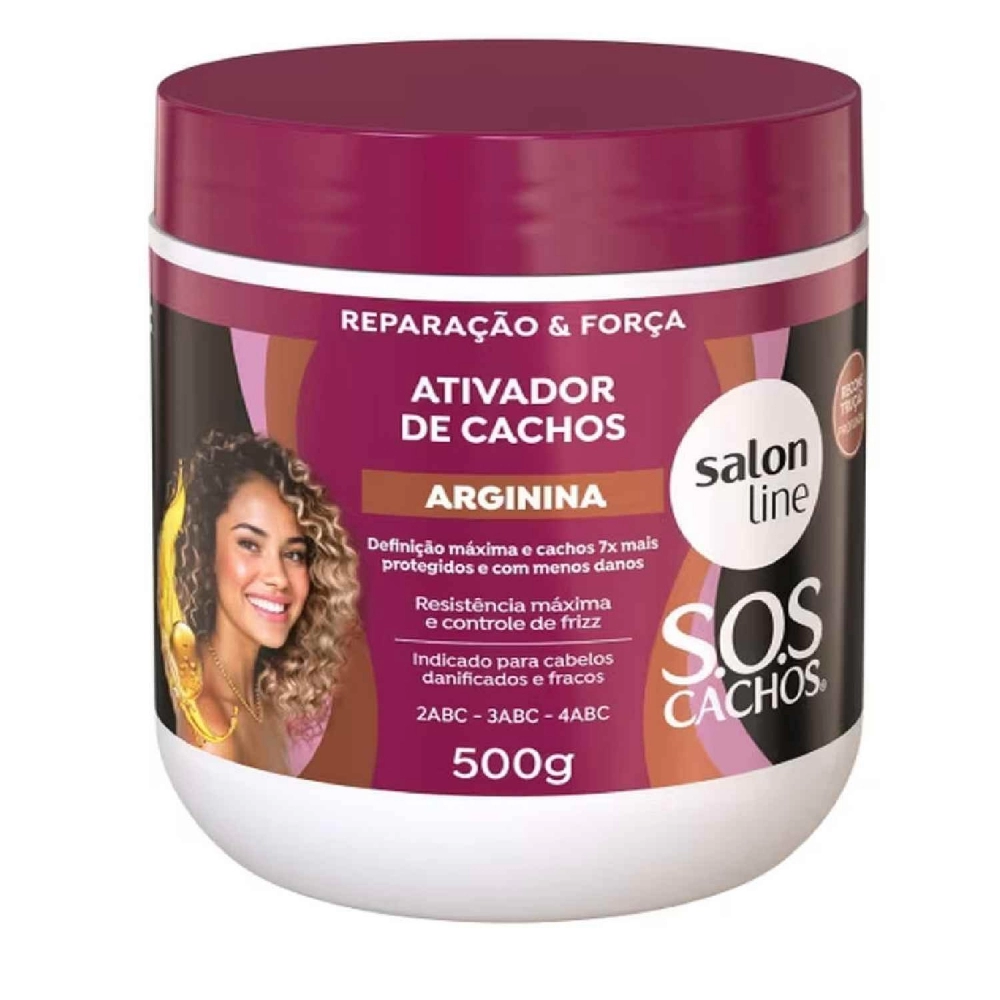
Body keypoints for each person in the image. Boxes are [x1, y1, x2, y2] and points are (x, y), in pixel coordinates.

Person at [158, 430, 359, 774]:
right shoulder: (212, 731)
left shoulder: (265, 702)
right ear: (206, 551)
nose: (278, 577)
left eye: (294, 554)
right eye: (250, 544)